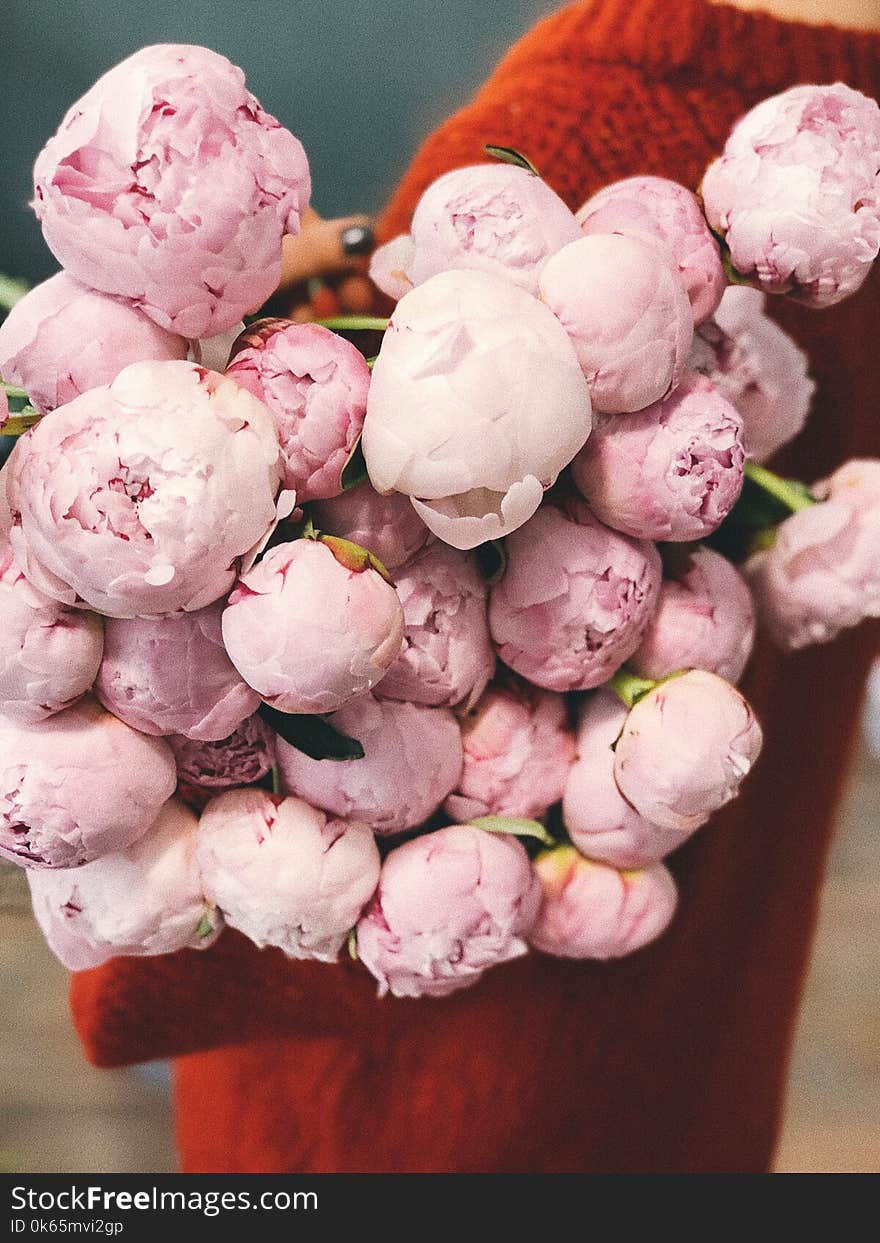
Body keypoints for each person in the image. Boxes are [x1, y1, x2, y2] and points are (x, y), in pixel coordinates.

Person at [70, 0, 880, 1172]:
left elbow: (187, 959)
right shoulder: (836, 151)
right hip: (689, 1059)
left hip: (431, 1114)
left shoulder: (561, 170)